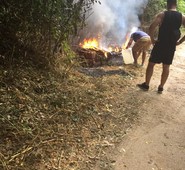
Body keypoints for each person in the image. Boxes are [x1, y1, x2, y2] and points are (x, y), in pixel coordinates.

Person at [137, 0, 185, 94]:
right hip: (171, 46)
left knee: (151, 64)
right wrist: (180, 42)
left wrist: (152, 39)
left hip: (160, 44)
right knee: (166, 66)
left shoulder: (162, 14)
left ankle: (146, 85)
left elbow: (152, 27)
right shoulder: (182, 16)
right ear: (176, 4)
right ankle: (161, 87)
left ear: (168, 4)